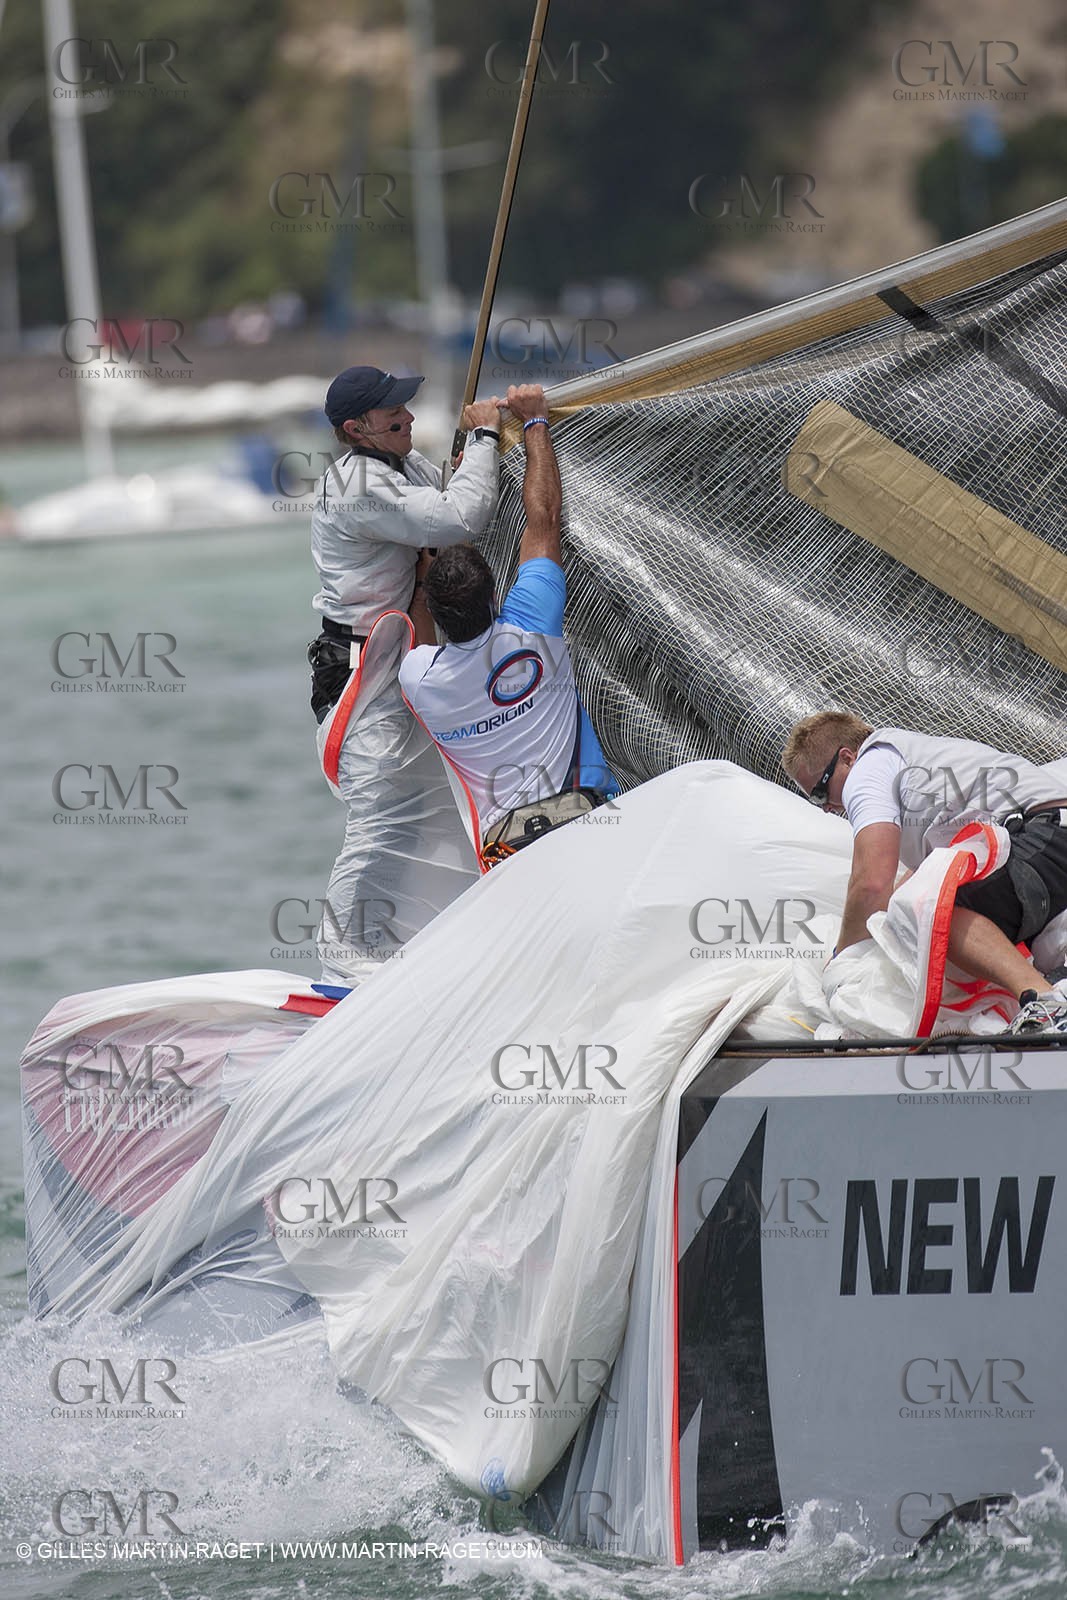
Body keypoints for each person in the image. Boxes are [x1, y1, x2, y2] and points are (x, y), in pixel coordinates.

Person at [308, 364, 503, 983]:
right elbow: (457, 520)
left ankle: (436, 945)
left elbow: (448, 499)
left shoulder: (403, 464)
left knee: (443, 804)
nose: (409, 416)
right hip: (361, 673)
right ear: (356, 429)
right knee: (378, 817)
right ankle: (342, 963)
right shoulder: (357, 485)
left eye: (406, 407)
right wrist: (486, 438)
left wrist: (469, 463)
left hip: (406, 662)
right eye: (394, 412)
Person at [398, 383, 618, 866]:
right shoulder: (531, 624)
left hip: (508, 857)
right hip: (589, 822)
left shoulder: (418, 678)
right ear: (495, 593)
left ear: (434, 606)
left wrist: (456, 498)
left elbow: (419, 606)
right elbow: (544, 519)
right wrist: (535, 421)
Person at [781, 711, 1067, 1034]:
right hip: (1047, 846)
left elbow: (871, 883)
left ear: (847, 758)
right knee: (913, 906)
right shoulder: (915, 776)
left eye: (820, 792)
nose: (825, 808)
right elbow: (907, 883)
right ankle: (1048, 994)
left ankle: (1045, 1000)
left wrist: (842, 958)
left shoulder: (869, 767)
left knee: (925, 911)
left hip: (1044, 839)